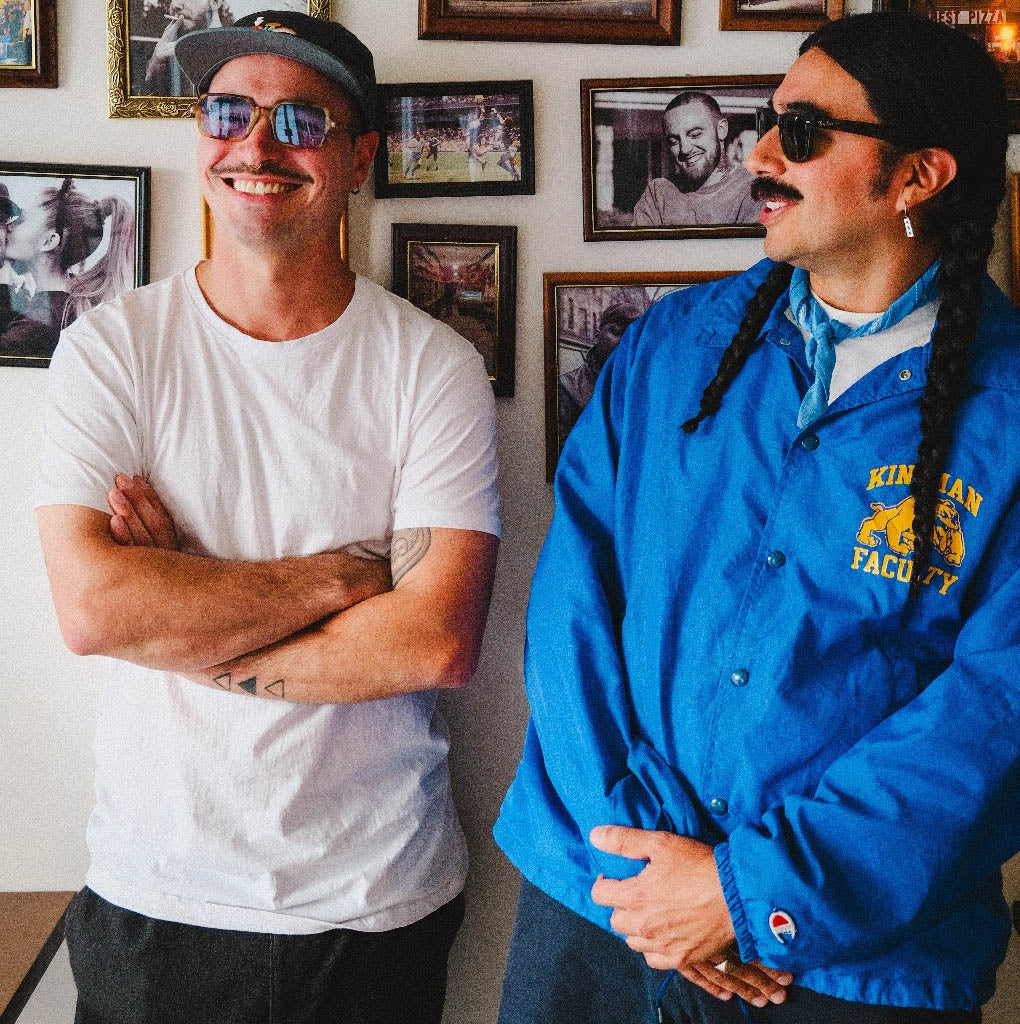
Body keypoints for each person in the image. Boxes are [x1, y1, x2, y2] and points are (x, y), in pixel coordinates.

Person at [496, 12, 1020, 1024]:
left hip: (851, 967)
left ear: (918, 177)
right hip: (602, 905)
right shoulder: (670, 349)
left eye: (808, 132)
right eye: (769, 121)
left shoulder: (1007, 415)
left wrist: (746, 894)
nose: (763, 154)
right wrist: (659, 888)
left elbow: (992, 716)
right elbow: (571, 606)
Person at [36, 11, 500, 1024]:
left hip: (374, 901)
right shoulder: (112, 351)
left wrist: (183, 598)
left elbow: (433, 640)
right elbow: (94, 609)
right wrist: (338, 577)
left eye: (301, 122)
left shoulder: (432, 367)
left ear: (360, 157)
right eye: (228, 112)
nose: (255, 145)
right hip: (157, 892)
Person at [1, 178, 134, 361]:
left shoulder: (42, 322)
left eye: (22, 219)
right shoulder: (65, 305)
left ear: (48, 241)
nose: (9, 226)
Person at [632, 90, 762, 227]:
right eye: (674, 141)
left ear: (721, 130)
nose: (685, 149)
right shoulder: (659, 194)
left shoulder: (754, 190)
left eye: (695, 135)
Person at [557, 301, 642, 445]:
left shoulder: (652, 386)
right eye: (616, 332)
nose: (625, 342)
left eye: (634, 335)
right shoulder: (568, 388)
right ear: (597, 337)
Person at [143, 0, 234, 94]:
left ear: (215, 2)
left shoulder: (236, 56)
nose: (175, 5)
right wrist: (153, 72)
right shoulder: (171, 57)